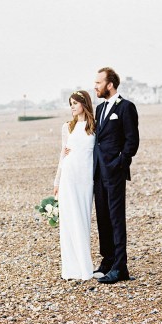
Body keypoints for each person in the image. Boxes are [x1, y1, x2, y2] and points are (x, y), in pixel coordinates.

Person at [93, 67, 140, 284]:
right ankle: (108, 259)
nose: (95, 86)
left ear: (110, 84)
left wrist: (121, 163)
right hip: (98, 173)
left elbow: (132, 141)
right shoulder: (100, 108)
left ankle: (120, 267)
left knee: (116, 219)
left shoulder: (126, 107)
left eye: (98, 83)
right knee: (102, 217)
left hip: (115, 172)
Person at [53, 90, 96, 280]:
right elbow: (62, 156)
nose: (72, 106)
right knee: (69, 221)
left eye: (75, 103)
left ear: (84, 104)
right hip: (68, 178)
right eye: (70, 103)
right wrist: (57, 181)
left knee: (83, 219)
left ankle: (85, 267)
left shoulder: (94, 126)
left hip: (85, 179)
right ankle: (71, 269)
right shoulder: (67, 127)